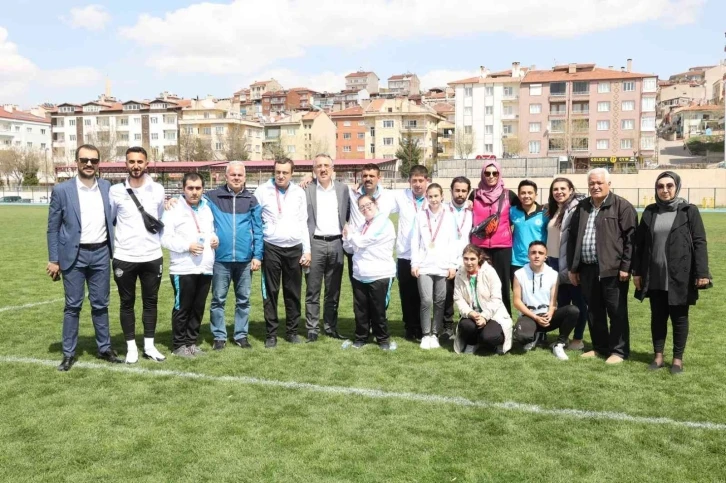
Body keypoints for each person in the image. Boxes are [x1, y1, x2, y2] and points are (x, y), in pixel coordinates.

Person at [46, 144, 123, 371]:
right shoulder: (62, 190)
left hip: (101, 253)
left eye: (94, 160)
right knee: (73, 305)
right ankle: (68, 354)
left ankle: (104, 348)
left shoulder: (107, 187)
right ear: (76, 162)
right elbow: (52, 228)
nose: (89, 164)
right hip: (74, 255)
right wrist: (54, 259)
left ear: (99, 163)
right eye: (84, 160)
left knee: (101, 304)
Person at [633, 171, 711, 374]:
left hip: (680, 276)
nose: (665, 190)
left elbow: (699, 242)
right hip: (655, 275)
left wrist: (702, 272)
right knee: (658, 318)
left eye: (669, 185)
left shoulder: (688, 211)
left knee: (679, 318)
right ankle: (658, 357)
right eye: (660, 186)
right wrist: (637, 272)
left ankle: (677, 360)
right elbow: (639, 245)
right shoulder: (650, 211)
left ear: (677, 187)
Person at [567, 168, 637, 364]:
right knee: (594, 311)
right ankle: (600, 347)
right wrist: (574, 268)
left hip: (613, 270)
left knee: (616, 312)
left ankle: (619, 351)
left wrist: (626, 266)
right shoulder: (582, 207)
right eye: (592, 183)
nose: (595, 186)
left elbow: (631, 240)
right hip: (588, 269)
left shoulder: (622, 206)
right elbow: (573, 239)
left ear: (609, 184)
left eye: (599, 183)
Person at [109, 146, 166, 363]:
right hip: (125, 257)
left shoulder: (158, 189)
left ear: (146, 163)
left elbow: (159, 217)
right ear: (126, 164)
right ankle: (131, 348)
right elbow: (112, 219)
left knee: (151, 302)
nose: (136, 166)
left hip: (152, 256)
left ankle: (149, 346)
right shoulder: (115, 191)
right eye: (131, 161)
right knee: (127, 302)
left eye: (139, 161)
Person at [204, 161, 263, 351]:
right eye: (233, 174)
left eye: (240, 175)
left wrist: (257, 255)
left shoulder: (252, 200)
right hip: (220, 259)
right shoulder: (212, 197)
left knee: (243, 300)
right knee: (218, 299)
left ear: (245, 177)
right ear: (226, 176)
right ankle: (219, 336)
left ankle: (241, 335)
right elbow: (191, 200)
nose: (236, 178)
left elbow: (258, 230)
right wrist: (174, 201)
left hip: (245, 260)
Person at [161, 173, 219, 358]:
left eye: (198, 188)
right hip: (183, 268)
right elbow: (165, 238)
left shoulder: (207, 208)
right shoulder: (173, 208)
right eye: (190, 188)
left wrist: (214, 239)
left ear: (203, 189)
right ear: (183, 188)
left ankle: (191, 342)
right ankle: (179, 346)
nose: (194, 192)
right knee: (183, 308)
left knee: (198, 307)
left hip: (205, 267)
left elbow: (210, 231)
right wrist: (187, 246)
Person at [255, 158, 311, 348]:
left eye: (285, 172)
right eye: (278, 172)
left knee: (293, 292)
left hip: (294, 248)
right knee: (271, 292)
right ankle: (271, 334)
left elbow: (303, 222)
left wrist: (307, 250)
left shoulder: (299, 193)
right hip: (271, 247)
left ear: (291, 173)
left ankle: (292, 331)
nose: (280, 176)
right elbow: (255, 220)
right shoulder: (262, 191)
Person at [303, 154, 350, 342]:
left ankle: (330, 327)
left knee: (333, 290)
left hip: (337, 243)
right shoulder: (306, 189)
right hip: (315, 243)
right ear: (313, 169)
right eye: (319, 166)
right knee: (312, 289)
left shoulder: (343, 189)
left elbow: (349, 212)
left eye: (326, 165)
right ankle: (312, 329)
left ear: (332, 168)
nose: (323, 169)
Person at [343, 195, 397, 350]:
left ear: (375, 203)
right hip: (360, 274)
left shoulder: (383, 222)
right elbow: (350, 248)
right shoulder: (363, 225)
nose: (365, 209)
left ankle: (383, 339)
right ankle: (361, 337)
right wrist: (347, 237)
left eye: (368, 205)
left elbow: (361, 241)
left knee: (378, 310)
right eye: (361, 207)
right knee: (360, 309)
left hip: (379, 274)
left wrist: (350, 235)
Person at [411, 183, 459, 349]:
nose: (433, 199)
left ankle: (435, 334)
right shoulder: (420, 216)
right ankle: (425, 334)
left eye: (436, 196)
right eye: (430, 196)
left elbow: (453, 242)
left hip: (443, 266)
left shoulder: (449, 216)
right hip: (424, 265)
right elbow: (415, 241)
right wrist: (414, 263)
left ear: (442, 196)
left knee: (440, 301)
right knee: (426, 300)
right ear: (426, 197)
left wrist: (452, 265)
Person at [512, 241, 579, 360]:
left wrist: (550, 313)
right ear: (528, 255)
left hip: (547, 317)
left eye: (540, 253)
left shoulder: (553, 274)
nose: (537, 256)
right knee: (522, 337)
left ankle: (559, 344)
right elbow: (517, 302)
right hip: (529, 315)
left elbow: (553, 302)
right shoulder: (519, 274)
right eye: (533, 252)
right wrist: (535, 317)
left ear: (545, 256)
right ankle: (535, 335)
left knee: (573, 310)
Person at [545, 177, 589, 351]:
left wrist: (574, 265)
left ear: (571, 190)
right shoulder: (555, 209)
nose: (559, 192)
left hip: (569, 262)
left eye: (563, 188)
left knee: (578, 304)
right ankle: (563, 338)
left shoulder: (577, 208)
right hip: (553, 263)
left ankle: (578, 339)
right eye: (555, 189)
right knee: (563, 305)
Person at [469, 161, 518, 316]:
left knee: (502, 285)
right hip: (480, 248)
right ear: (482, 174)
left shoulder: (509, 195)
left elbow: (525, 208)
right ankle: (481, 318)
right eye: (487, 173)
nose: (491, 176)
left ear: (499, 174)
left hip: (502, 247)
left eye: (494, 173)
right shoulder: (474, 195)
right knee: (480, 284)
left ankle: (504, 318)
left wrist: (545, 208)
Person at [391, 165, 430, 341]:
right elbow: (377, 198)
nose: (417, 184)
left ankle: (423, 327)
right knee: (407, 293)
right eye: (414, 180)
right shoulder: (401, 197)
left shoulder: (433, 198)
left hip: (426, 256)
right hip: (405, 255)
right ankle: (410, 327)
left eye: (421, 180)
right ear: (409, 182)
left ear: (427, 181)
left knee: (424, 295)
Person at [452, 244, 512, 355]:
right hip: (472, 314)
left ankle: (495, 342)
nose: (469, 262)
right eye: (466, 259)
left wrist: (484, 316)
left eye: (472, 259)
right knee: (465, 326)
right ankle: (472, 342)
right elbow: (458, 298)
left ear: (479, 258)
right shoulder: (459, 273)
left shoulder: (490, 272)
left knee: (490, 337)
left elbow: (496, 299)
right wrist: (470, 313)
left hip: (493, 314)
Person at [443, 176, 473, 340]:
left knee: (467, 295)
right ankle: (447, 326)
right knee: (447, 296)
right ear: (451, 191)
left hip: (467, 261)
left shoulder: (472, 211)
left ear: (468, 192)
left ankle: (464, 325)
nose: (460, 194)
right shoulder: (442, 209)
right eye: (457, 190)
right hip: (447, 260)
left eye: (463, 191)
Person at [510, 180, 548, 277]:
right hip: (517, 261)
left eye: (530, 193)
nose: (526, 196)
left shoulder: (545, 213)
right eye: (523, 193)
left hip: (538, 259)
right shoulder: (512, 211)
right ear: (519, 195)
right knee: (517, 287)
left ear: (536, 195)